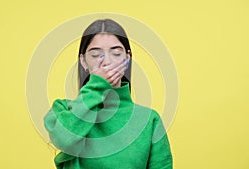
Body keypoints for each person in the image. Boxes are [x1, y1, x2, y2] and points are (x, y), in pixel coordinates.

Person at [44, 19, 173, 169]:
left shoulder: (149, 120)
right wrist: (96, 85)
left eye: (116, 53)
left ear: (127, 58)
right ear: (83, 61)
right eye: (95, 55)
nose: (106, 62)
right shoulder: (63, 111)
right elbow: (65, 140)